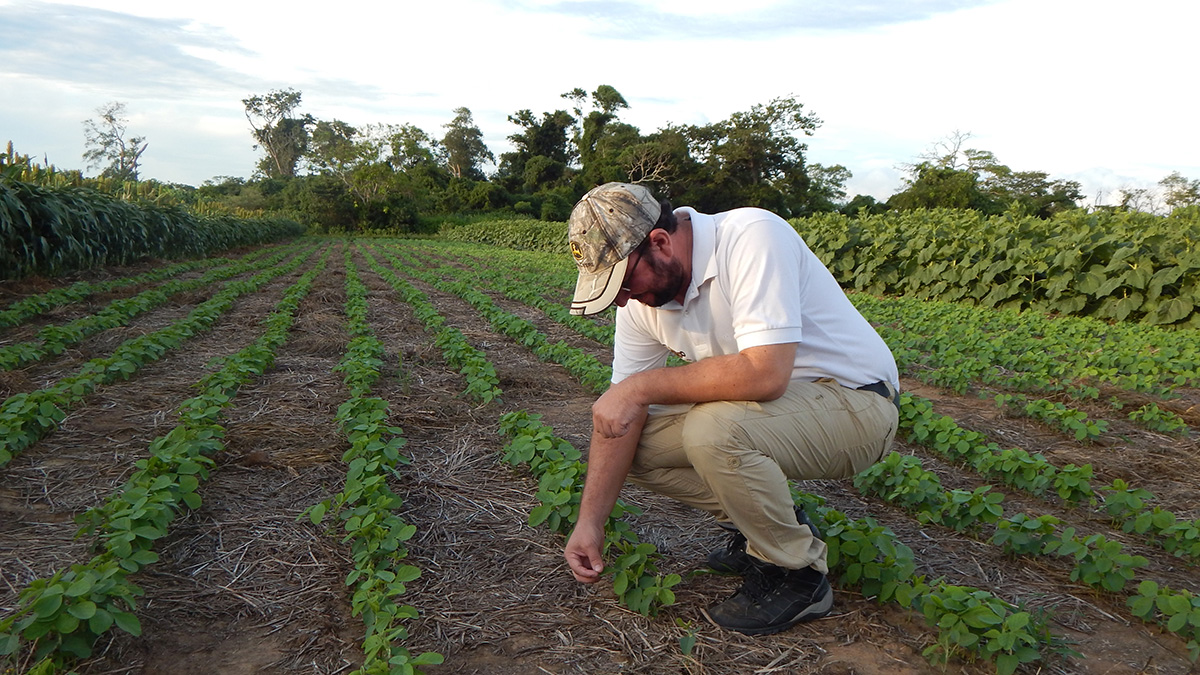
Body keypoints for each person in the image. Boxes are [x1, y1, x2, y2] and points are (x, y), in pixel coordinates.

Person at [563, 182, 900, 635]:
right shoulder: (644, 303)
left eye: (623, 282)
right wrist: (589, 523)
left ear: (660, 243)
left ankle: (800, 576)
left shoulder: (750, 236)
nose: (621, 299)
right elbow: (621, 420)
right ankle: (764, 529)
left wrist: (643, 386)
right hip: (775, 416)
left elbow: (765, 374)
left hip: (858, 405)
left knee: (713, 428)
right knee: (633, 439)